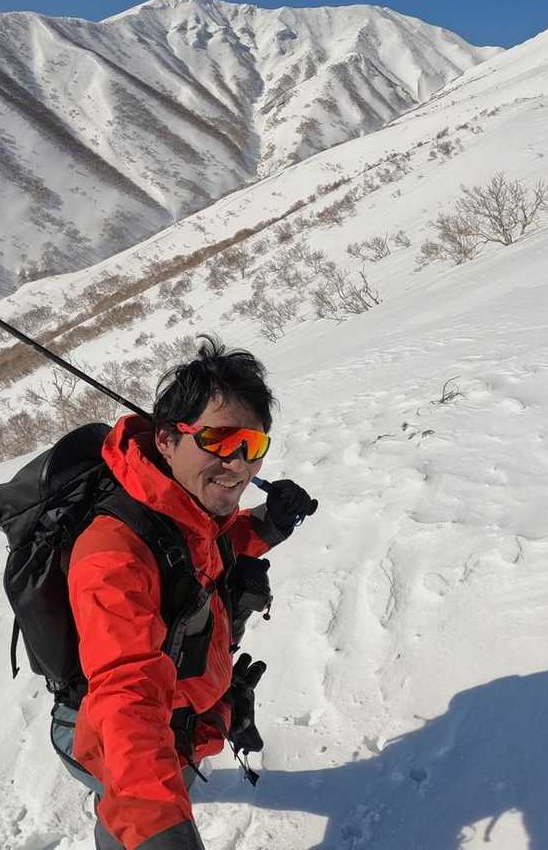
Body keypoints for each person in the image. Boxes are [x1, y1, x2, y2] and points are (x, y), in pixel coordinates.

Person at [49, 338, 315, 849]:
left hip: (182, 724)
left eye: (253, 446)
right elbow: (125, 699)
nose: (239, 464)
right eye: (220, 440)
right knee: (128, 821)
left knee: (174, 785)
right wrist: (160, 832)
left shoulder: (187, 511)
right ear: (167, 440)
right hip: (117, 741)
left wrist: (271, 522)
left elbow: (212, 548)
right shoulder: (113, 554)